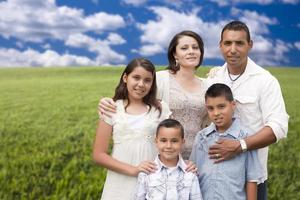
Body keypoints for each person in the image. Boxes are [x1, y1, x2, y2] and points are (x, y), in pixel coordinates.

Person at [206, 20, 289, 200]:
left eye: (239, 43)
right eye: (227, 43)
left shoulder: (265, 81)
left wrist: (240, 146)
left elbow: (278, 127)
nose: (233, 49)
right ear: (220, 46)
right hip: (215, 176)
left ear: (249, 45)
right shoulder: (213, 78)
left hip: (251, 178)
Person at [99, 30, 210, 160]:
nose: (191, 51)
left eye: (195, 47)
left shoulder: (208, 85)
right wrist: (106, 102)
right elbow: (134, 96)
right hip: (163, 156)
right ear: (175, 54)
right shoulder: (160, 79)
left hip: (198, 155)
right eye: (184, 48)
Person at [93, 58, 171, 200]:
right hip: (119, 183)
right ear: (125, 78)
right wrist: (134, 170)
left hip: (152, 180)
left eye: (147, 80)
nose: (141, 84)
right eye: (136, 77)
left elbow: (171, 145)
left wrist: (185, 164)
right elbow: (99, 154)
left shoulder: (160, 109)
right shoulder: (112, 108)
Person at [190, 83, 263, 200]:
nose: (216, 113)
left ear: (233, 105)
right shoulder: (202, 137)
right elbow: (193, 173)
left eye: (221, 106)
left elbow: (251, 179)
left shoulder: (246, 138)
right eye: (210, 108)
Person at [135, 119, 203, 200]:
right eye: (163, 140)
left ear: (182, 142)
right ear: (156, 141)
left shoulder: (190, 173)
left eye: (174, 141)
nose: (168, 146)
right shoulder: (146, 173)